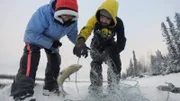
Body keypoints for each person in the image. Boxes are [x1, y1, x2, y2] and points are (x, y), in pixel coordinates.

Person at [10, 0, 79, 100]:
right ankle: (22, 92)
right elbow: (31, 33)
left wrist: (80, 45)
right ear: (58, 12)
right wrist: (51, 43)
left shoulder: (72, 21)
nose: (67, 19)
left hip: (52, 42)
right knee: (31, 61)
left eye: (70, 16)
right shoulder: (43, 13)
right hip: (34, 39)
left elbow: (73, 34)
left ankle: (51, 88)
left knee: (55, 62)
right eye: (65, 15)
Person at [73, 0, 126, 94]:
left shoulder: (119, 23)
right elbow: (87, 29)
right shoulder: (94, 19)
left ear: (113, 18)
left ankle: (113, 88)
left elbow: (121, 42)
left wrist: (112, 53)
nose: (104, 21)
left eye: (107, 19)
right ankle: (95, 89)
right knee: (96, 63)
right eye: (102, 17)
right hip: (96, 43)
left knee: (115, 63)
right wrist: (80, 41)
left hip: (110, 44)